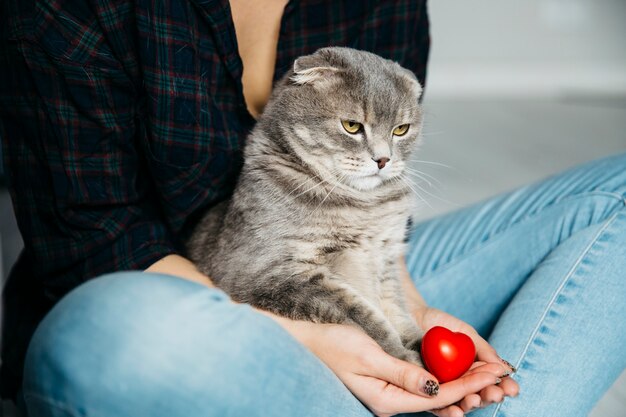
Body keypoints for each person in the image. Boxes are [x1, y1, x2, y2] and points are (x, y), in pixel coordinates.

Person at [1, 0, 624, 416]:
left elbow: (382, 203)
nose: (384, 153)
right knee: (111, 336)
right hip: (191, 303)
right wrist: (325, 343)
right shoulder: (70, 11)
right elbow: (95, 240)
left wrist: (412, 316)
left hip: (348, 271)